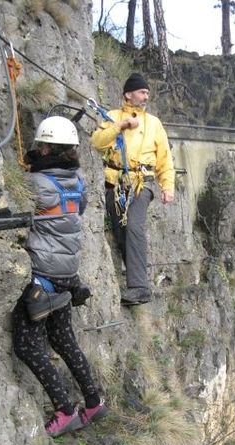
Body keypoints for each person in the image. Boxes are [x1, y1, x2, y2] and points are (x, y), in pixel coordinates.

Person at [12, 115, 108, 437]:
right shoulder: (78, 181)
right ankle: (93, 401)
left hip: (42, 275)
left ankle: (65, 409)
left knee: (26, 344)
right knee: (63, 338)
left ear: (48, 147)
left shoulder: (36, 184)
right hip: (67, 273)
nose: (37, 148)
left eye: (41, 145)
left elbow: (17, 209)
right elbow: (75, 212)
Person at [91, 73, 175, 306]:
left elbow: (165, 158)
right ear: (128, 94)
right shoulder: (113, 117)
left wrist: (167, 186)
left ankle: (139, 287)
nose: (146, 96)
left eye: (147, 92)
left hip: (142, 183)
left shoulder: (154, 123)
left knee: (134, 227)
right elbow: (97, 142)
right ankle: (136, 282)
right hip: (116, 182)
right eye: (142, 92)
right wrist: (121, 126)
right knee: (120, 232)